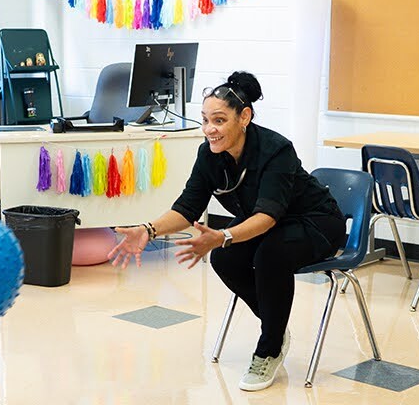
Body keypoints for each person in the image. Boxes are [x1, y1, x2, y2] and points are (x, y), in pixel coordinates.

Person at [107, 71, 346, 391]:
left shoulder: (276, 150)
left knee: (270, 254)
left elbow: (268, 215)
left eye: (218, 120)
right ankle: (275, 327)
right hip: (270, 225)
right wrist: (148, 230)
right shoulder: (209, 153)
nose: (209, 129)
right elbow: (187, 208)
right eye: (205, 120)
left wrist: (223, 235)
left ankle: (269, 347)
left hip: (316, 222)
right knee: (224, 258)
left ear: (244, 117)